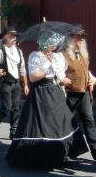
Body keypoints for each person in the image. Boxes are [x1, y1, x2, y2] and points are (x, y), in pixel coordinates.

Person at [6, 30, 88, 169]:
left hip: (56, 92)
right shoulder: (36, 56)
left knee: (60, 123)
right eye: (53, 43)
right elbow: (33, 77)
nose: (55, 45)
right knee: (43, 124)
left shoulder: (56, 56)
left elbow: (59, 75)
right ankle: (43, 158)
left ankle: (61, 154)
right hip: (41, 93)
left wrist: (63, 79)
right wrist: (47, 68)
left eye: (56, 43)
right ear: (46, 43)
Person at [61, 30, 96, 161]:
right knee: (66, 122)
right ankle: (65, 151)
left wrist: (92, 80)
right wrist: (63, 80)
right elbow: (59, 73)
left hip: (83, 93)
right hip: (69, 93)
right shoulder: (63, 55)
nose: (82, 40)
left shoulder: (83, 54)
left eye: (83, 37)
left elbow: (87, 72)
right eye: (79, 37)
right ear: (71, 38)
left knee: (89, 120)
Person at [0, 26, 29, 140]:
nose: (14, 37)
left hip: (16, 83)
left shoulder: (19, 51)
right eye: (12, 35)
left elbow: (22, 69)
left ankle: (13, 131)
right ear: (5, 37)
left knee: (16, 108)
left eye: (15, 36)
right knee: (6, 108)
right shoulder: (0, 51)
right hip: (5, 83)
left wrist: (25, 84)